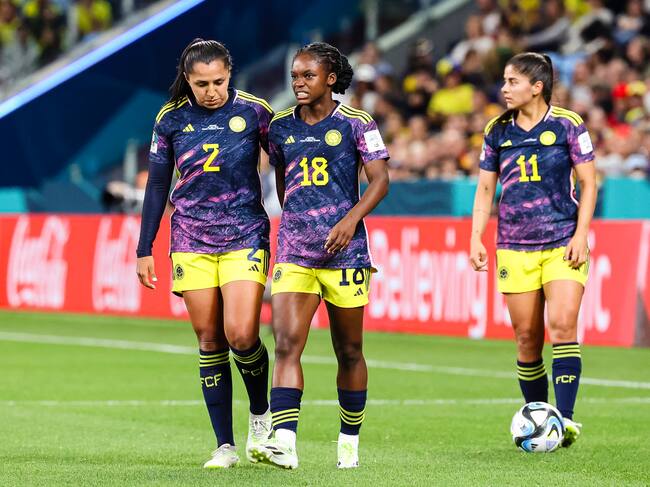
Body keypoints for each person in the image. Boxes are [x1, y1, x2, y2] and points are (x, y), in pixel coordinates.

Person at [249, 42, 390, 470]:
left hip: (346, 255)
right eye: (295, 76)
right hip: (296, 252)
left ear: (330, 79)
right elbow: (280, 181)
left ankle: (348, 442)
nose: (298, 83)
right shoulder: (279, 127)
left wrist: (351, 220)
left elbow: (381, 181)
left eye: (308, 76)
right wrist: (293, 221)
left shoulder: (356, 123)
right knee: (287, 343)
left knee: (349, 351)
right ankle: (285, 443)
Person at [135, 39, 274, 469]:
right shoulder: (170, 118)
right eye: (201, 84)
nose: (211, 91)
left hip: (244, 234)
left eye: (218, 82)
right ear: (188, 80)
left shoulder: (255, 111)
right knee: (209, 340)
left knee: (241, 333)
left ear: (230, 75)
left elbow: (288, 162)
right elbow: (158, 186)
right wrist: (145, 248)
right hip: (191, 238)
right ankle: (224, 446)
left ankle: (260, 414)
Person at [470, 52, 597, 448]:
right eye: (504, 81)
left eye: (512, 81)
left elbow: (590, 183)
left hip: (562, 241)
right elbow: (486, 188)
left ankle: (567, 420)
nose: (504, 89)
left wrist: (581, 235)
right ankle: (541, 421)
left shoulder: (567, 124)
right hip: (513, 246)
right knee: (527, 337)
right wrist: (476, 236)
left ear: (536, 86)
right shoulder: (497, 130)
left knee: (562, 325)